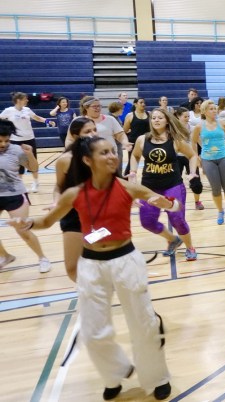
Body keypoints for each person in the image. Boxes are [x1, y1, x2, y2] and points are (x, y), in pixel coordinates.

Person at [10, 136, 173, 400]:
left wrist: (167, 203)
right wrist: (27, 223)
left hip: (126, 261)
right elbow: (47, 221)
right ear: (87, 160)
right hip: (91, 265)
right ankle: (115, 373)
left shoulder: (128, 187)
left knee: (143, 323)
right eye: (104, 152)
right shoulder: (74, 193)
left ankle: (157, 377)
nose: (112, 156)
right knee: (92, 331)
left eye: (113, 151)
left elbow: (166, 202)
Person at [129, 108, 199, 260]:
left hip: (172, 185)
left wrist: (192, 172)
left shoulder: (176, 140)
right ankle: (173, 240)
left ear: (167, 120)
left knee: (177, 220)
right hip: (148, 188)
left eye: (160, 117)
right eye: (154, 118)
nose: (156, 120)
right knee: (147, 222)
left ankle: (190, 247)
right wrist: (133, 171)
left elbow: (192, 155)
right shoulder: (142, 139)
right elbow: (134, 156)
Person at [0, 120, 51, 272]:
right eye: (0, 141)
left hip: (15, 195)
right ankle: (5, 256)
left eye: (6, 140)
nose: (3, 144)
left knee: (22, 229)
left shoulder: (16, 150)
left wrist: (29, 154)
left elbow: (33, 168)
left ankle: (43, 258)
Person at [53, 117, 96, 281]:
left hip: (99, 214)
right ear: (76, 135)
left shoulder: (103, 155)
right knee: (72, 267)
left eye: (94, 130)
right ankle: (87, 290)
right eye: (88, 131)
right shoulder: (64, 160)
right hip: (72, 215)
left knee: (99, 259)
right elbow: (58, 186)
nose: (93, 134)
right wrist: (56, 202)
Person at [191, 100, 225, 224]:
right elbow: (193, 142)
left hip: (223, 157)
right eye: (211, 109)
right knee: (215, 189)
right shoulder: (199, 126)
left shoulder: (223, 124)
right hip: (208, 159)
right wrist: (197, 157)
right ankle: (220, 211)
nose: (214, 111)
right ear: (204, 111)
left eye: (215, 108)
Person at [1, 92, 53, 192]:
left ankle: (36, 183)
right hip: (15, 141)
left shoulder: (27, 110)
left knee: (32, 161)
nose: (27, 100)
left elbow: (37, 117)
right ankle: (19, 183)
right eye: (25, 99)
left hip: (29, 139)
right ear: (18, 100)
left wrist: (46, 121)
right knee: (18, 162)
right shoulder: (9, 111)